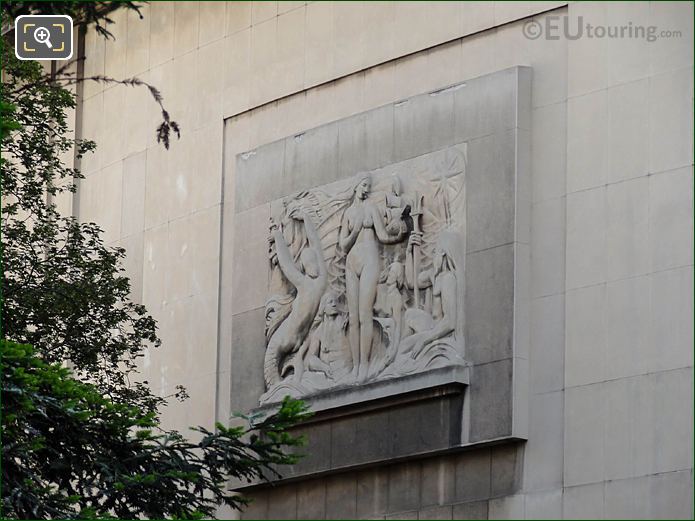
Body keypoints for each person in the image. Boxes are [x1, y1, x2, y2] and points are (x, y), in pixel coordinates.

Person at [338, 173, 407, 381]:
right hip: (352, 263)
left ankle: (365, 365)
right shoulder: (349, 213)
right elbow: (343, 245)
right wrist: (355, 230)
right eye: (364, 185)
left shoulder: (372, 208)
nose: (367, 189)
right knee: (353, 317)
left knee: (365, 313)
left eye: (369, 186)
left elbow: (383, 235)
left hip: (369, 259)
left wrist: (400, 235)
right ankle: (356, 365)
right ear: (355, 186)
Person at [263, 211, 327, 389]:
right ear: (305, 268)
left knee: (281, 380)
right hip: (285, 337)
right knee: (272, 374)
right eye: (307, 264)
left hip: (296, 339)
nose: (312, 265)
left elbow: (315, 245)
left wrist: (307, 219)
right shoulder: (307, 283)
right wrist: (277, 236)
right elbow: (285, 263)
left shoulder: (318, 283)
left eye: (313, 261)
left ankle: (290, 385)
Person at [401, 229, 465, 358]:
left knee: (403, 347)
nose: (433, 255)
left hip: (437, 330)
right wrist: (408, 252)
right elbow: (411, 283)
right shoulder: (434, 275)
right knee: (409, 314)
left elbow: (450, 322)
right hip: (431, 325)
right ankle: (400, 363)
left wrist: (424, 340)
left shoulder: (448, 279)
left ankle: (403, 363)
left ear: (443, 253)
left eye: (435, 251)